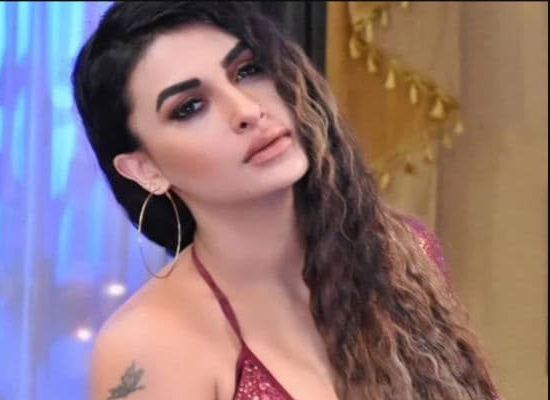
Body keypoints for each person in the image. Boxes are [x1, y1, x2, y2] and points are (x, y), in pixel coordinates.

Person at [72, 2, 499, 399]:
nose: (247, 110)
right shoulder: (151, 344)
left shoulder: (404, 254)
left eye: (248, 70)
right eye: (190, 107)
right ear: (146, 170)